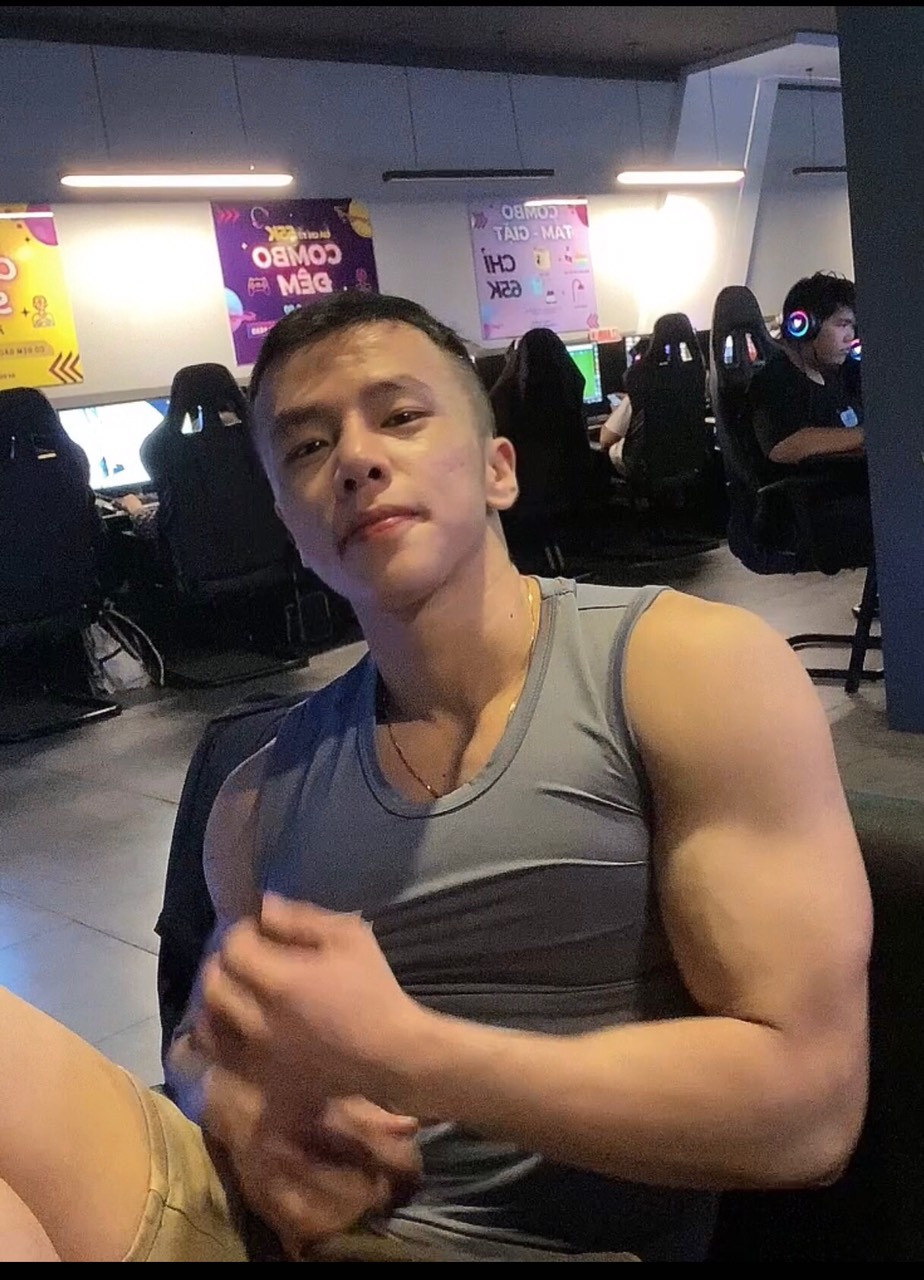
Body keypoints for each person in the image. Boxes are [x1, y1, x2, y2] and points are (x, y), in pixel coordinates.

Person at [0, 292, 871, 1262]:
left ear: (499, 468)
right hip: (271, 1225)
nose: (356, 458)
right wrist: (229, 1102)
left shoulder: (687, 670)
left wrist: (410, 1054)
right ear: (288, 523)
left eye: (402, 415)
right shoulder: (254, 794)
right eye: (308, 446)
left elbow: (810, 1112)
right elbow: (214, 1055)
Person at [749, 272, 864, 468]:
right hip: (825, 486)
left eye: (852, 327)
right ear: (805, 326)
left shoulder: (840, 374)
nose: (850, 337)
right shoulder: (775, 381)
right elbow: (784, 448)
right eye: (842, 325)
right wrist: (868, 435)